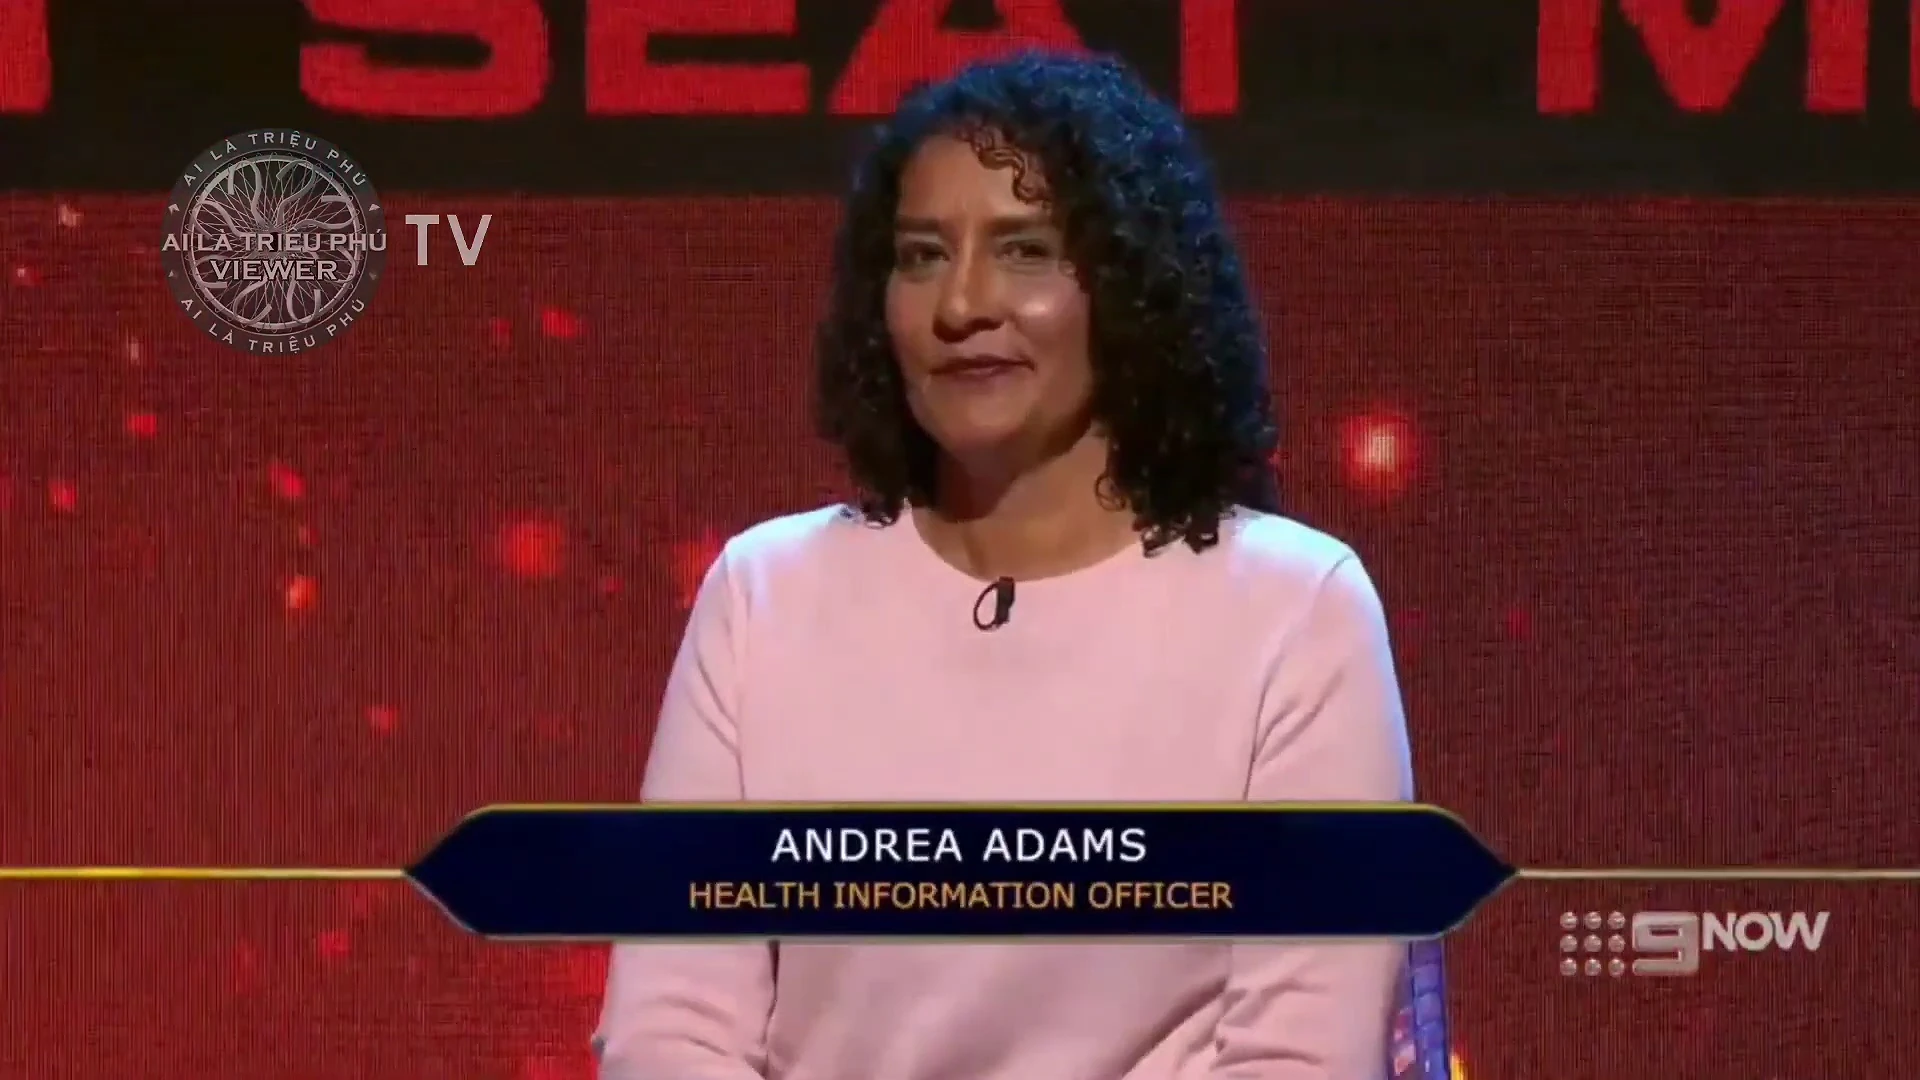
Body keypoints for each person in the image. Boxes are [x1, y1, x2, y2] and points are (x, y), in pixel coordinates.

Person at [595, 51, 1414, 1080]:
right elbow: (671, 1029)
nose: (962, 304)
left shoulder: (1295, 607)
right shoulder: (763, 595)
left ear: (1129, 285)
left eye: (1025, 250)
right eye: (922, 256)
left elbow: (1302, 1056)